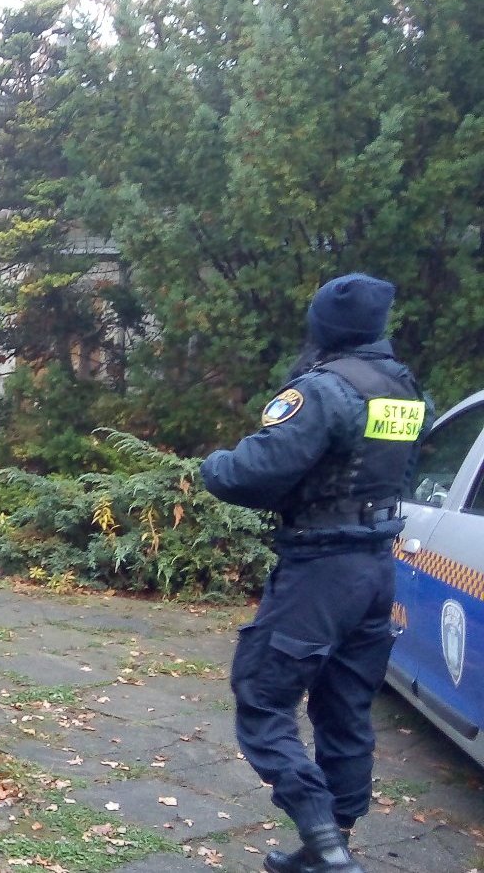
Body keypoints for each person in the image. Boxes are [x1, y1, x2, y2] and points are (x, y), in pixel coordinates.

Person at [201, 273, 426, 873]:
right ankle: (331, 843)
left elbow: (254, 470)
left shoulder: (323, 390)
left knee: (262, 694)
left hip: (321, 568)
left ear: (323, 324)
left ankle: (324, 841)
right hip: (376, 568)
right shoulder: (401, 388)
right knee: (344, 707)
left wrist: (212, 465)